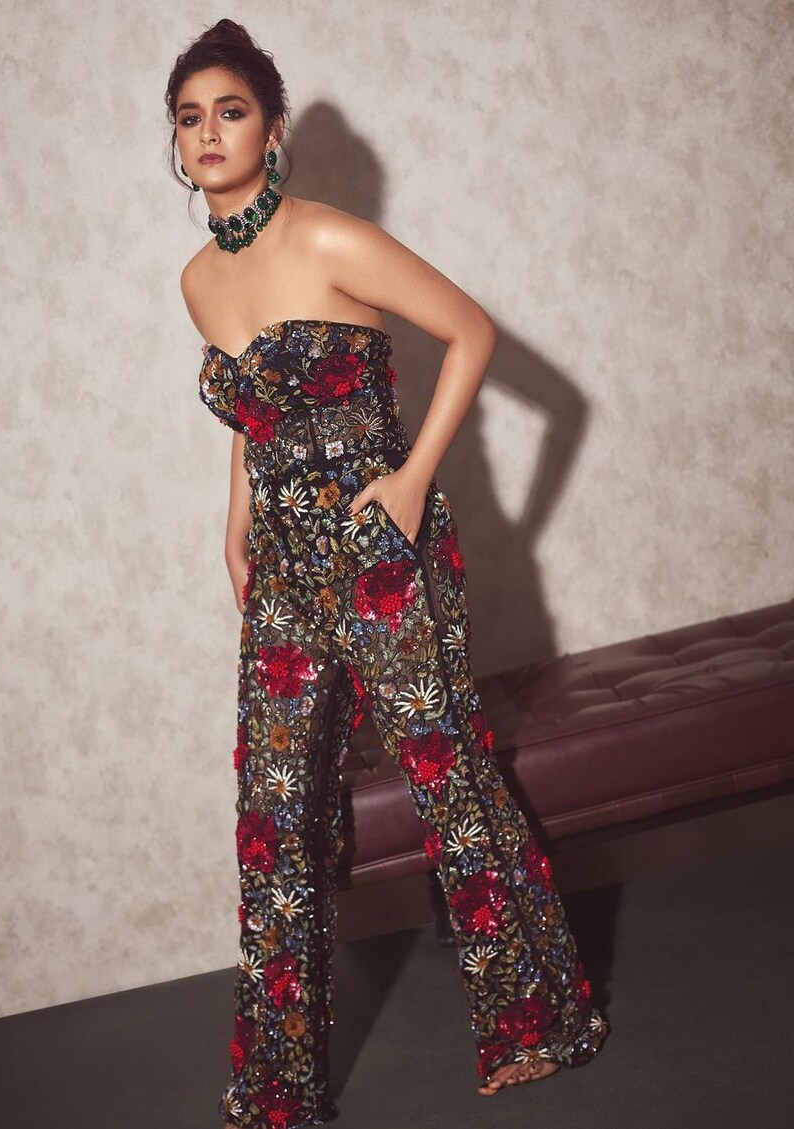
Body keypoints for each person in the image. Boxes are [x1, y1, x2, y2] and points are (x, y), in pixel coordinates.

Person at [165, 19, 610, 1129]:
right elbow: (252, 410)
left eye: (230, 111)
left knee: (446, 784)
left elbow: (470, 331)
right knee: (273, 818)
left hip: (377, 557)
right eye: (189, 117)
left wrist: (410, 482)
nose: (209, 133)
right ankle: (279, 1083)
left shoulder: (329, 236)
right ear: (176, 145)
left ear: (271, 129)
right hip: (281, 567)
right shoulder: (196, 281)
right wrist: (233, 525)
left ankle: (534, 1022)